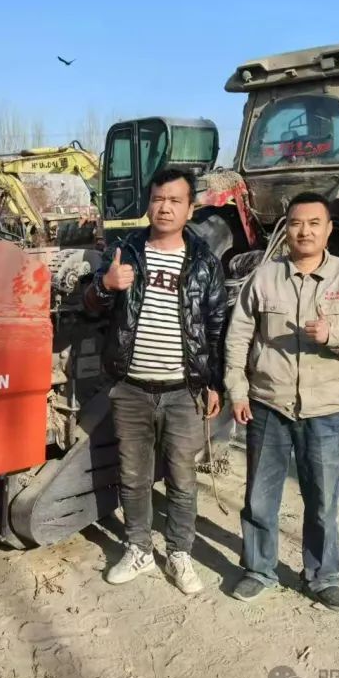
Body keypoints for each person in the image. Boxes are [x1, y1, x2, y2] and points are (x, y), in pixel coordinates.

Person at [223, 191, 339, 610]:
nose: (305, 231)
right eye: (296, 223)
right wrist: (237, 389)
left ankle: (322, 577)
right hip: (268, 405)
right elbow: (238, 335)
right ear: (287, 229)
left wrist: (336, 335)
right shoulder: (264, 278)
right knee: (260, 498)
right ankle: (259, 570)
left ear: (329, 230)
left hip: (325, 411)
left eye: (314, 223)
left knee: (322, 500)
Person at [86, 168, 227, 595]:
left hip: (183, 391)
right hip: (131, 388)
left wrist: (214, 383)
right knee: (133, 476)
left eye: (175, 200)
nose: (165, 207)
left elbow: (216, 326)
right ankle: (139, 549)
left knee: (182, 478)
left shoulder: (204, 261)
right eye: (158, 199)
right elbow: (90, 306)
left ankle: (179, 552)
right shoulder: (125, 251)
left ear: (190, 208)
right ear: (149, 204)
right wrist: (105, 285)